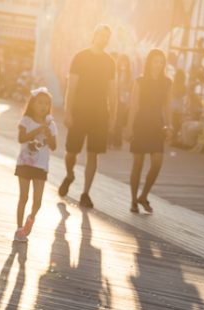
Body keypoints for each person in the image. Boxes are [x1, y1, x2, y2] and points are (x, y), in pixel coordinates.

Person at [59, 24, 116, 209]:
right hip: (79, 111)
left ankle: (85, 193)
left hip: (100, 114)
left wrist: (113, 117)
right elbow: (72, 86)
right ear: (94, 35)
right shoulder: (80, 57)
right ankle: (69, 175)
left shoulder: (110, 62)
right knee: (71, 152)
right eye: (101, 35)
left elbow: (112, 91)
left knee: (94, 154)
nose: (104, 39)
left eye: (107, 36)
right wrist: (68, 111)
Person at [124, 48, 171, 213]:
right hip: (141, 123)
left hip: (157, 125)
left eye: (161, 61)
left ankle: (143, 195)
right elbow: (134, 106)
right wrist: (129, 128)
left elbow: (167, 106)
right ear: (149, 62)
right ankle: (133, 201)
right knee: (138, 164)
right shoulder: (140, 81)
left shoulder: (167, 82)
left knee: (157, 163)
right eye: (155, 61)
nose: (158, 65)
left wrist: (169, 125)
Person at [14, 87, 57, 242]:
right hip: (24, 164)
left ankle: (30, 219)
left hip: (41, 166)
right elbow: (21, 138)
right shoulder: (26, 121)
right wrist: (38, 129)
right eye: (40, 103)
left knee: (37, 201)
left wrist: (49, 133)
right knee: (23, 196)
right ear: (32, 104)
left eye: (46, 103)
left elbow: (53, 146)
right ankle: (19, 228)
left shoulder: (51, 124)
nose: (43, 106)